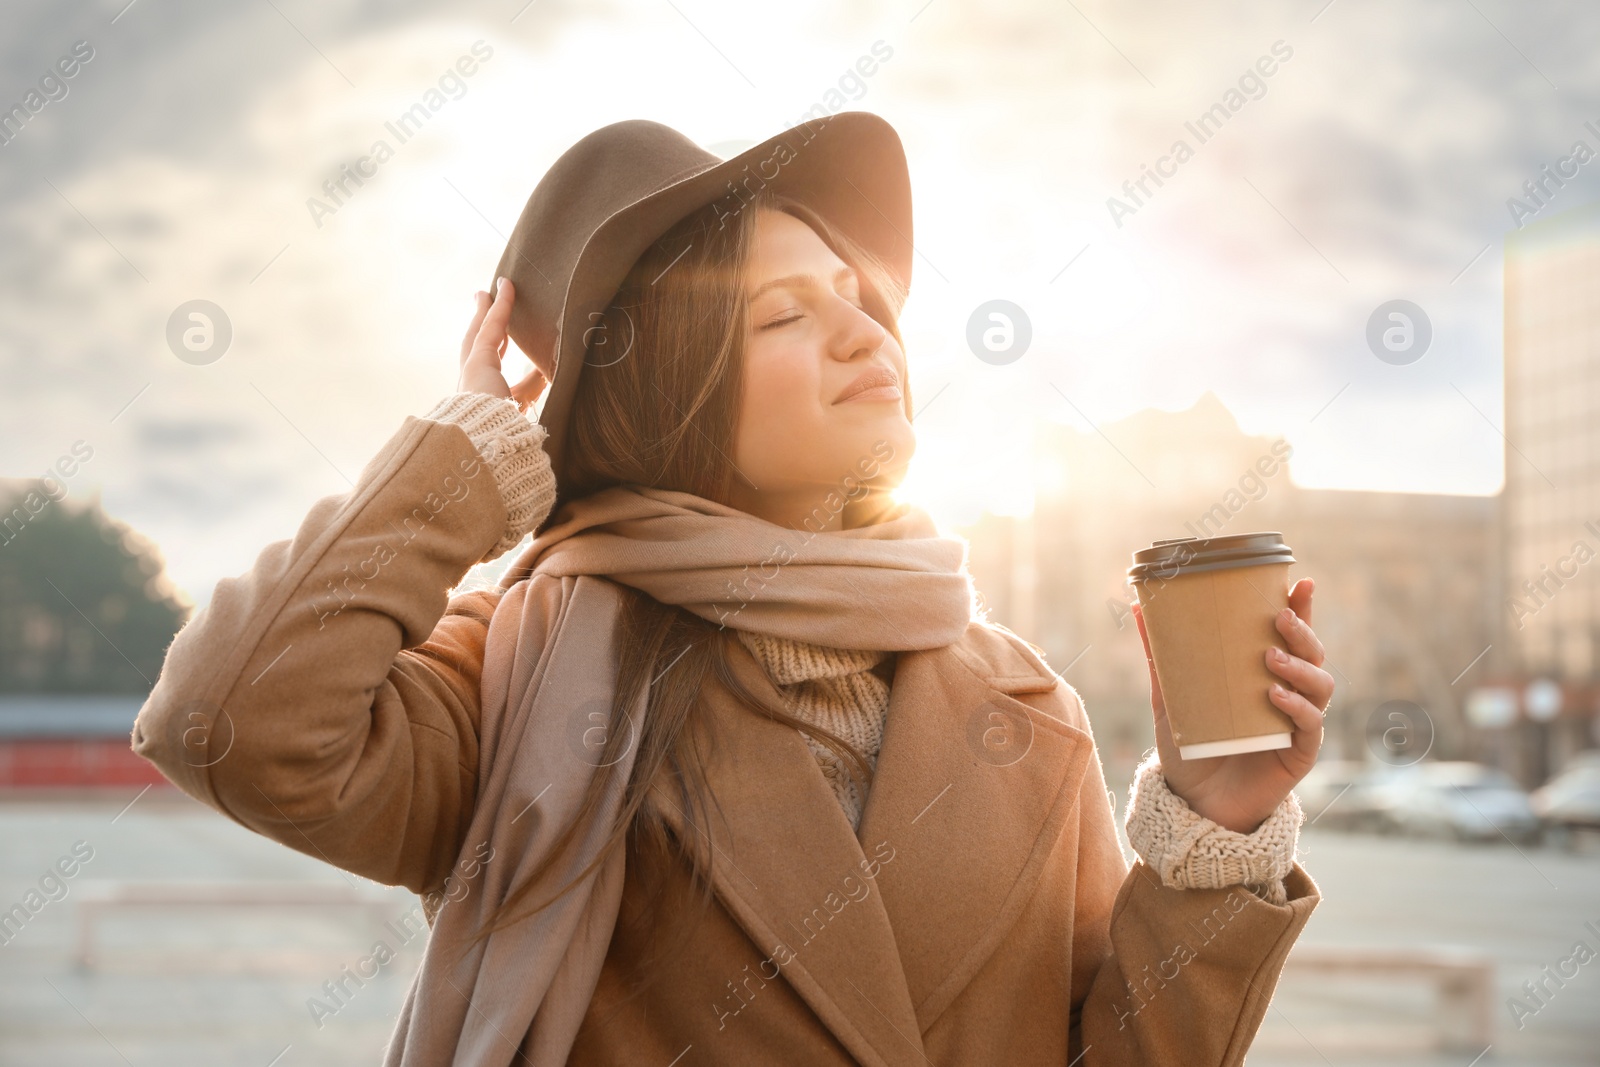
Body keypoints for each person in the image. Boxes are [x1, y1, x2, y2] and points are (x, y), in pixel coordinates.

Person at [133, 113, 1332, 1066]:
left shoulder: (1022, 702)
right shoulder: (523, 674)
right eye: (784, 314)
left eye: (858, 296)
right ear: (673, 390)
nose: (869, 335)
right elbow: (227, 723)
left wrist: (1213, 831)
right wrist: (464, 457)